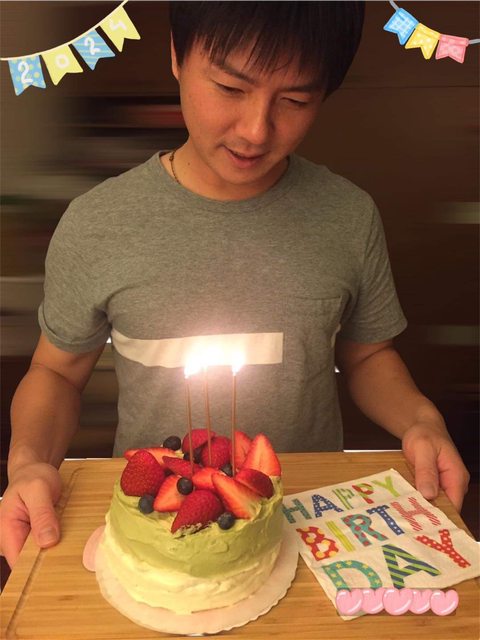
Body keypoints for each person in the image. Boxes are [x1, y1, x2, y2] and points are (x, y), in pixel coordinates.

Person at [0, 1, 469, 570]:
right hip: (162, 530)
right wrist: (28, 463)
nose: (255, 130)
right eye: (230, 88)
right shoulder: (96, 223)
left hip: (309, 524)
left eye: (295, 100)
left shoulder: (348, 215)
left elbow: (368, 355)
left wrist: (420, 421)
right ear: (177, 56)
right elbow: (55, 372)